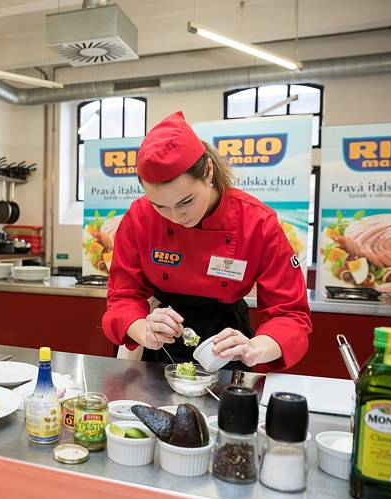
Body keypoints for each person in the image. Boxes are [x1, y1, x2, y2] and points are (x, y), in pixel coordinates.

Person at [102, 111, 311, 371]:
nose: (177, 216)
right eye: (160, 206)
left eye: (186, 201)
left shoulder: (257, 222)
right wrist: (143, 328)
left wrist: (255, 348)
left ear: (209, 172)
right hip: (159, 349)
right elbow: (123, 297)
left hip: (226, 348)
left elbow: (290, 314)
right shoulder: (139, 217)